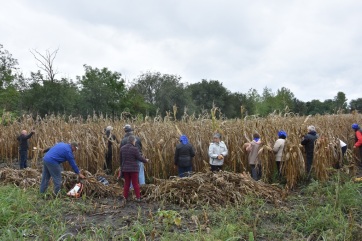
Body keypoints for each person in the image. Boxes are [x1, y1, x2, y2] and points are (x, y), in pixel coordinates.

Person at [120, 135, 149, 202]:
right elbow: (139, 158)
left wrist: (121, 168)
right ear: (132, 141)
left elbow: (121, 160)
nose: (135, 142)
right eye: (135, 141)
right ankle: (138, 197)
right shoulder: (135, 149)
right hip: (133, 169)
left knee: (127, 184)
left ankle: (125, 197)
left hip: (125, 169)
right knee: (135, 183)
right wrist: (146, 161)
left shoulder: (122, 148)